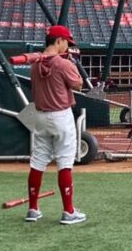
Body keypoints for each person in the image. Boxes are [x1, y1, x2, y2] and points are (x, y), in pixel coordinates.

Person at [9, 25, 86, 225]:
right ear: (59, 40)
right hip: (61, 116)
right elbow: (79, 85)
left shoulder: (35, 63)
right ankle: (68, 212)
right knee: (65, 162)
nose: (67, 46)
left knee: (38, 161)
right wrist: (72, 63)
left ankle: (33, 209)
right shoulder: (63, 63)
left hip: (40, 115)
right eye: (66, 42)